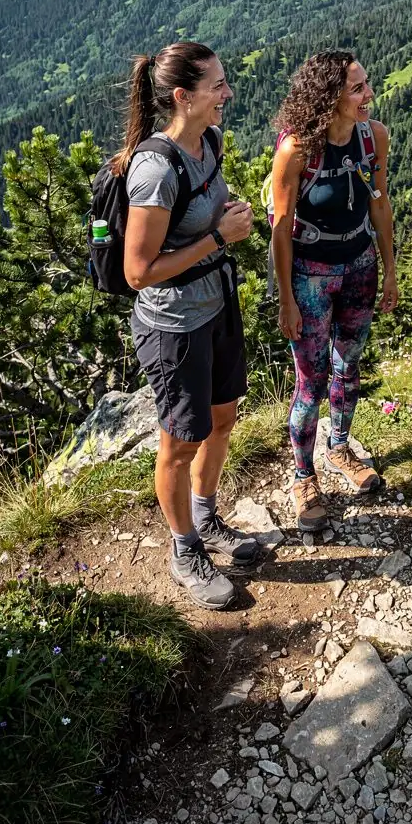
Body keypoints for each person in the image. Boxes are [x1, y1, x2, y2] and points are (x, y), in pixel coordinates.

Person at [117, 41, 259, 610]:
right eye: (218, 85)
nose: (228, 93)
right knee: (179, 442)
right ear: (183, 96)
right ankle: (184, 550)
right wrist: (218, 237)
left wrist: (225, 221)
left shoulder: (210, 143)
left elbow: (203, 220)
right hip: (173, 323)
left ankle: (206, 518)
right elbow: (137, 271)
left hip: (217, 304)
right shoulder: (154, 169)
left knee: (223, 418)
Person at [270, 51, 398, 532]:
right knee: (312, 379)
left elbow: (381, 206)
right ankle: (304, 477)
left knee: (349, 364)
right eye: (357, 89)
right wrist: (286, 299)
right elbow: (281, 229)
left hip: (359, 264)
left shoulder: (373, 137)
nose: (368, 96)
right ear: (329, 97)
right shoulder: (298, 151)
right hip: (310, 274)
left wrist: (389, 271)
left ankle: (340, 447)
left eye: (367, 85)